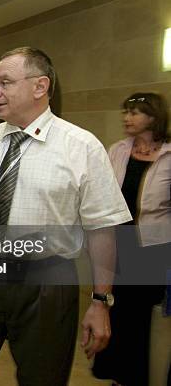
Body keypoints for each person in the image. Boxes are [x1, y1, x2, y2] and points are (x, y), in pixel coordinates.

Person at [0, 46, 132, 386]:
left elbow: (102, 231)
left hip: (47, 280)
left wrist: (101, 302)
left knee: (44, 377)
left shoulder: (81, 146)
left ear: (40, 87)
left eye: (4, 82)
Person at [92, 92, 171, 385]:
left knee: (140, 320)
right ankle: (116, 376)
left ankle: (135, 377)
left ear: (154, 117)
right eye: (126, 112)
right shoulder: (118, 150)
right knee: (115, 311)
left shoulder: (168, 155)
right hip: (117, 246)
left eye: (135, 112)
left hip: (153, 249)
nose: (127, 118)